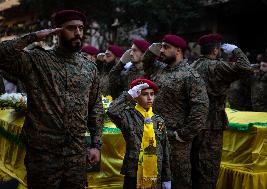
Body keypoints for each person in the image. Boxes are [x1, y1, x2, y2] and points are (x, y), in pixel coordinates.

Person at [0, 9, 104, 189]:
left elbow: (95, 106)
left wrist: (96, 144)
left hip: (76, 155)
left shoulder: (89, 68)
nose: (77, 33)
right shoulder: (37, 60)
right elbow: (2, 54)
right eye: (71, 28)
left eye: (80, 28)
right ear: (57, 31)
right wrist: (33, 36)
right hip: (43, 155)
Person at [142, 34, 209, 189]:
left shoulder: (190, 75)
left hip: (176, 141)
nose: (162, 51)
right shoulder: (160, 69)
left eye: (166, 47)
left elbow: (201, 108)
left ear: (178, 50)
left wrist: (183, 134)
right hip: (155, 134)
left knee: (178, 180)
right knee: (155, 179)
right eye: (162, 47)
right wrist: (153, 48)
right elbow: (147, 63)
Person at [190, 33, 252, 189]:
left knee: (195, 165)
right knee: (209, 168)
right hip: (213, 123)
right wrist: (236, 50)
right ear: (216, 51)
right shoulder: (217, 66)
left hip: (194, 121)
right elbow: (246, 68)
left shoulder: (193, 65)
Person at [107, 78, 171, 189]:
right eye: (145, 94)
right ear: (136, 96)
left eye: (152, 94)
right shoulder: (128, 116)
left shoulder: (158, 120)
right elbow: (112, 111)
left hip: (156, 173)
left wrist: (167, 178)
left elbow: (165, 151)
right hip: (134, 172)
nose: (150, 98)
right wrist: (129, 95)